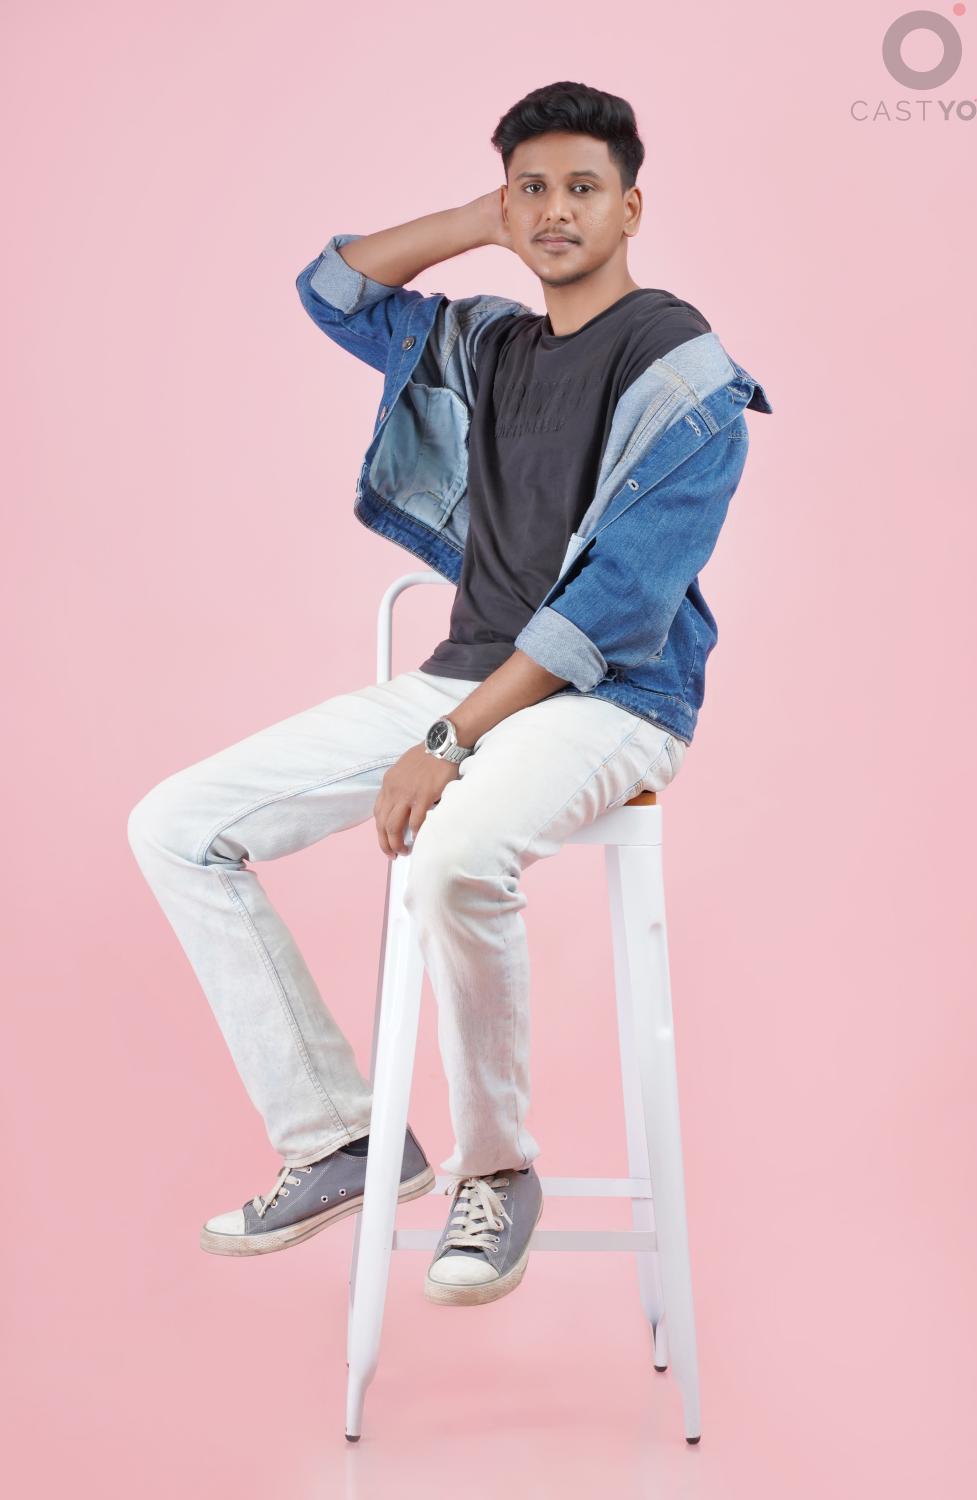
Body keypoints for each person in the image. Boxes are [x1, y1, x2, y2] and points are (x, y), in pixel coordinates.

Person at [126, 80, 772, 1309]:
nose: (555, 210)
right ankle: (339, 1137)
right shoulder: (487, 344)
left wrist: (446, 736)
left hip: (614, 700)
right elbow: (332, 289)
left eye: (582, 188)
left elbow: (615, 609)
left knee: (455, 857)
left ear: (632, 207)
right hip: (466, 675)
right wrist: (483, 219)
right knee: (174, 825)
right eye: (532, 189)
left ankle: (497, 1167)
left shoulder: (682, 369)